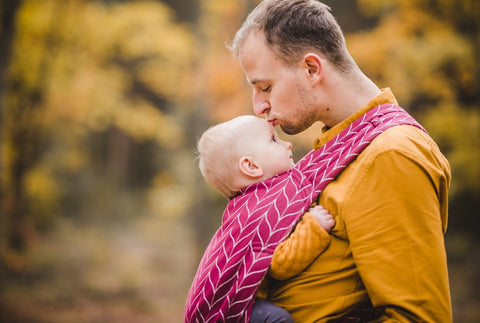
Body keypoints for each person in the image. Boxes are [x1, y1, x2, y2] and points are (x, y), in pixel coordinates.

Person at [227, 0, 452, 322]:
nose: (259, 106)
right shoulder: (339, 148)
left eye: (266, 87)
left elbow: (418, 317)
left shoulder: (390, 155)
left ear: (311, 69)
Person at [196, 115, 336, 323]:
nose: (287, 144)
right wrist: (313, 228)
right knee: (277, 319)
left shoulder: (262, 198)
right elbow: (279, 264)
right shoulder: (259, 212)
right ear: (251, 166)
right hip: (234, 310)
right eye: (273, 140)